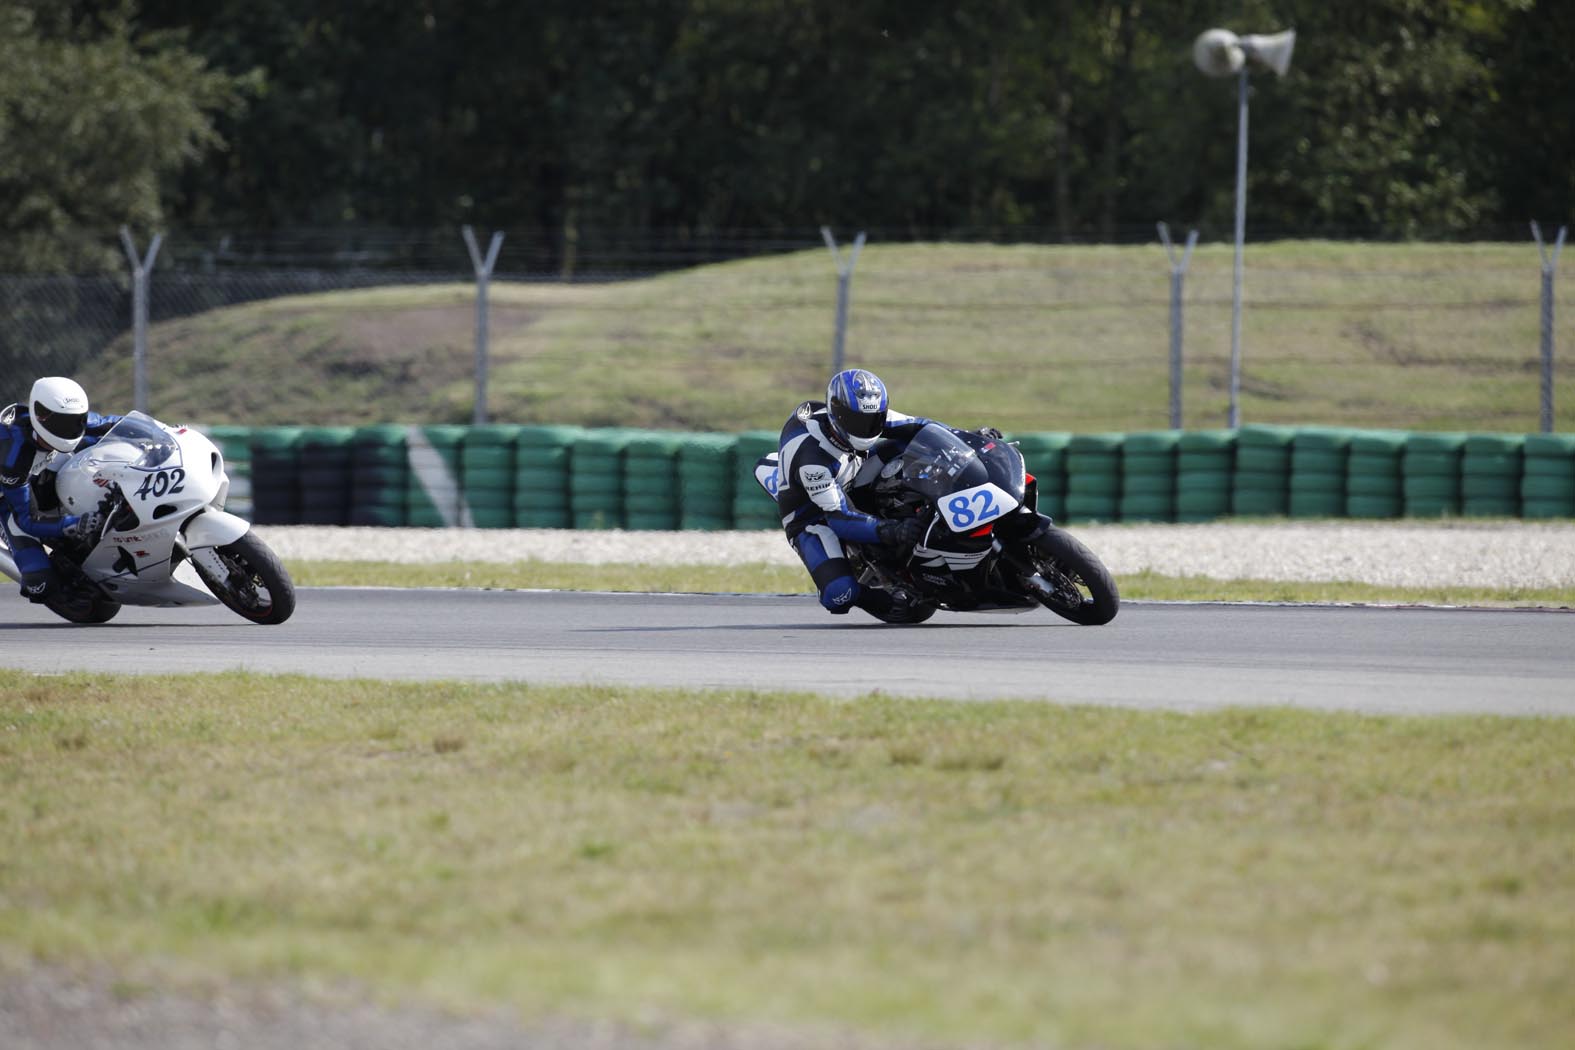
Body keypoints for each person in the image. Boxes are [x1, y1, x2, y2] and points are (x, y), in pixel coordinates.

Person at [775, 368, 939, 621]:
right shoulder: (813, 461)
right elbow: (839, 519)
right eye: (857, 421)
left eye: (873, 420)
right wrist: (893, 531)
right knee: (839, 594)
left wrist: (967, 436)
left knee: (912, 442)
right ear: (836, 414)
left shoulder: (868, 415)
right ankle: (871, 595)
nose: (867, 428)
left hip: (852, 475)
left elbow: (921, 426)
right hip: (814, 516)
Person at [0, 377, 122, 602]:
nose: (71, 430)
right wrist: (76, 524)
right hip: (8, 503)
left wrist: (163, 432)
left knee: (98, 442)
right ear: (41, 416)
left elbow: (116, 424)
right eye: (62, 424)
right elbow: (28, 519)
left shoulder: (73, 422)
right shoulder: (14, 456)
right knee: (42, 584)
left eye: (77, 421)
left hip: (40, 477)